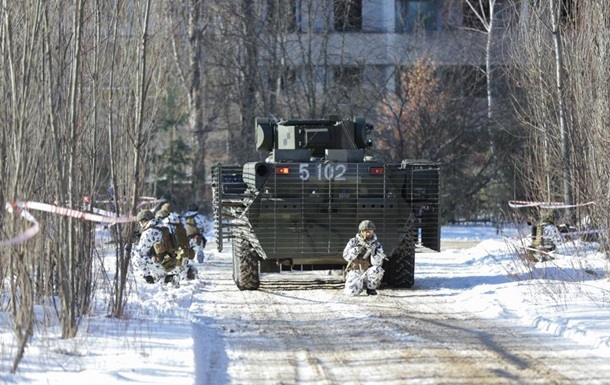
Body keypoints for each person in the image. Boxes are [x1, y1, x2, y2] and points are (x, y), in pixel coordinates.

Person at [132, 209, 180, 285]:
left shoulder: (148, 232)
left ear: (144, 220)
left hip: (159, 263)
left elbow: (141, 252)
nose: (140, 225)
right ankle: (170, 278)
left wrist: (132, 247)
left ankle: (147, 278)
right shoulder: (162, 226)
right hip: (169, 261)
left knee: (136, 258)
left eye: (140, 222)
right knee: (158, 279)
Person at [342, 220, 386, 296]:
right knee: (351, 293)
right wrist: (356, 250)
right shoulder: (353, 241)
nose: (368, 233)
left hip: (368, 272)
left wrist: (374, 254)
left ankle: (371, 289)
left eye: (370, 231)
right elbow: (346, 256)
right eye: (366, 231)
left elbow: (377, 263)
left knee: (377, 269)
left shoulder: (377, 245)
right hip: (355, 270)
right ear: (361, 231)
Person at [155, 204, 197, 280]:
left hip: (171, 253)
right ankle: (184, 275)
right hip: (183, 251)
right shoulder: (179, 221)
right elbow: (186, 236)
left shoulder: (163, 223)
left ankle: (171, 277)